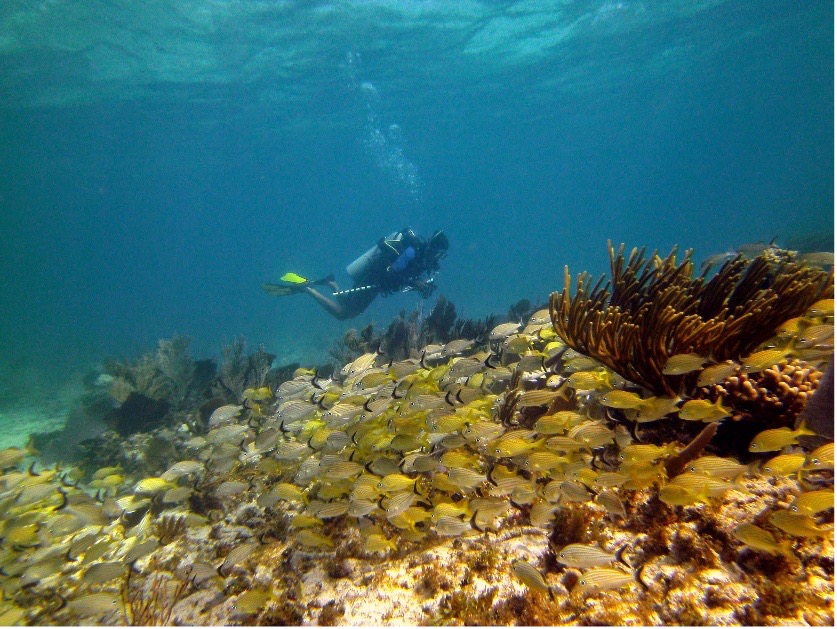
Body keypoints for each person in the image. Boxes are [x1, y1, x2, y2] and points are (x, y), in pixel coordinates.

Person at [262, 227, 449, 320]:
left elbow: (402, 277)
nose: (439, 258)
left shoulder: (421, 259)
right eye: (439, 253)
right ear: (432, 247)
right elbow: (391, 272)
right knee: (344, 314)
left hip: (376, 285)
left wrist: (421, 285)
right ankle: (307, 289)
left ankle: (331, 284)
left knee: (350, 307)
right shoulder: (412, 252)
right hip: (373, 278)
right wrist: (416, 284)